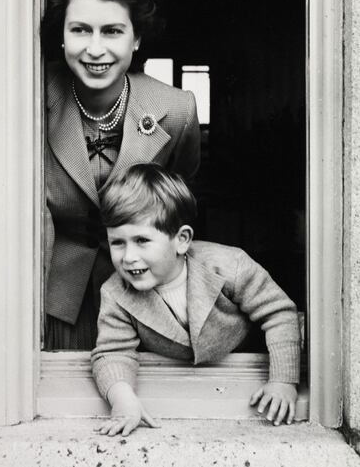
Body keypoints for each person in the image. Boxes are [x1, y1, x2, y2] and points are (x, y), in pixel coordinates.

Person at [42, 0, 201, 350]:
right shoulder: (33, 95)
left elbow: (179, 202)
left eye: (112, 31)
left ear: (136, 39)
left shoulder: (177, 109)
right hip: (54, 296)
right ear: (62, 36)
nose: (96, 49)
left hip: (146, 295)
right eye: (80, 30)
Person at [91, 163, 301, 435]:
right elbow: (112, 353)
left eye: (142, 240)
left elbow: (279, 313)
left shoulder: (229, 265)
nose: (128, 256)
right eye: (117, 242)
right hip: (180, 388)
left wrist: (283, 381)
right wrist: (123, 400)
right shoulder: (115, 293)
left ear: (182, 240)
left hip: (244, 376)